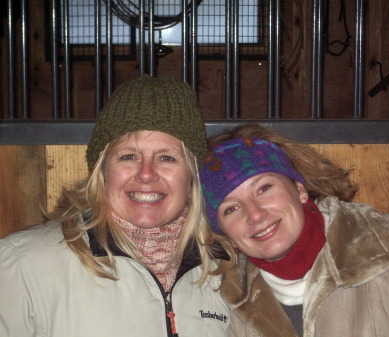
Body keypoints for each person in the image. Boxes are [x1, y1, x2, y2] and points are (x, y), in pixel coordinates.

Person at [0, 75, 234, 337]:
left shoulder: (227, 271)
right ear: (102, 170)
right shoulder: (22, 265)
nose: (146, 174)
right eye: (128, 156)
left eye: (167, 158)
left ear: (191, 176)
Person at [199, 123, 389, 337]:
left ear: (299, 189)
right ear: (224, 234)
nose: (254, 214)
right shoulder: (227, 296)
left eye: (264, 188)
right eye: (231, 208)